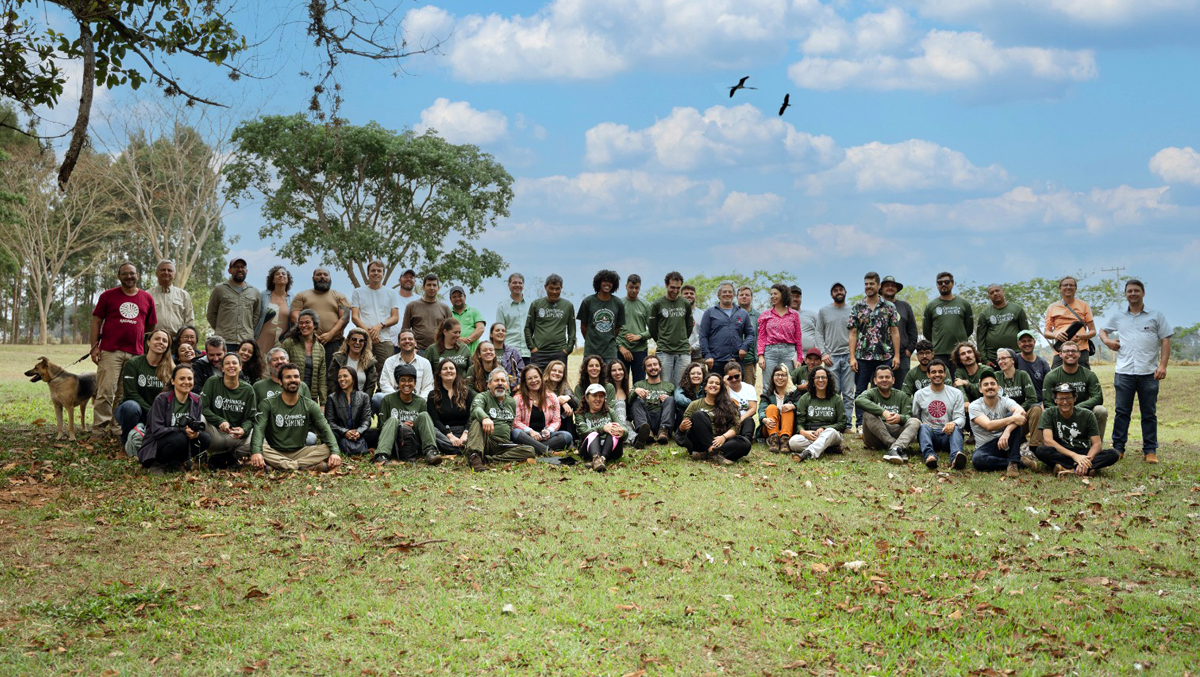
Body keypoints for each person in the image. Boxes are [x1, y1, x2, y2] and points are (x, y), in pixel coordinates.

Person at [1099, 279, 1172, 464]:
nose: (1133, 293)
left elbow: (1165, 340)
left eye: (1136, 290)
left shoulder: (1156, 316)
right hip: (1124, 372)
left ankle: (1150, 450)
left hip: (1149, 372)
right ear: (1126, 294)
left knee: (1149, 413)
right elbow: (1102, 331)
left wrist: (1162, 366)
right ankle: (1118, 448)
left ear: (1143, 293)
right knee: (1122, 412)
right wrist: (1108, 342)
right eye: (1129, 291)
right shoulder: (1118, 316)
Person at [90, 261, 157, 435]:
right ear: (119, 276)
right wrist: (94, 346)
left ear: (138, 275)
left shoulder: (147, 298)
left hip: (135, 353)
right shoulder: (107, 296)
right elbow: (97, 321)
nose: (129, 276)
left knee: (123, 393)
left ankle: (116, 427)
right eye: (125, 273)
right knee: (105, 390)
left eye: (132, 273)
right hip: (111, 350)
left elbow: (150, 327)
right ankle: (98, 429)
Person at [249, 363, 342, 472]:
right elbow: (259, 429)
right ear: (280, 382)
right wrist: (256, 452)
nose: (293, 380)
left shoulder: (310, 405)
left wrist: (335, 453)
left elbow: (325, 429)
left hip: (300, 451)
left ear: (300, 381)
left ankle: (281, 466)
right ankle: (308, 466)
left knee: (327, 449)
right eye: (288, 377)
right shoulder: (268, 404)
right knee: (260, 449)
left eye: (296, 377)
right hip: (274, 451)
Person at [847, 272, 900, 431]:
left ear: (878, 286)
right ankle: (861, 424)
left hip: (885, 355)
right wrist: (852, 357)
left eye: (871, 284)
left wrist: (896, 355)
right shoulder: (857, 307)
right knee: (861, 391)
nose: (868, 287)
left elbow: (895, 331)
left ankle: (886, 421)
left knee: (885, 389)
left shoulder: (889, 307)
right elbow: (853, 333)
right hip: (862, 356)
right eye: (866, 284)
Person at [137, 364, 210, 474]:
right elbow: (157, 431)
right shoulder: (162, 399)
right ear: (173, 381)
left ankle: (176, 462)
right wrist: (181, 431)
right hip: (157, 443)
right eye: (181, 378)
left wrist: (195, 432)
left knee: (205, 438)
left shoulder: (196, 399)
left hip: (179, 439)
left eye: (190, 378)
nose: (186, 382)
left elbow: (194, 423)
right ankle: (157, 463)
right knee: (179, 438)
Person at [1035, 384, 1120, 476]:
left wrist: (1085, 460)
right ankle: (1088, 469)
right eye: (1061, 399)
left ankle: (1069, 468)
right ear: (1055, 400)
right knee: (1041, 450)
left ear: (1074, 399)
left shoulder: (1087, 415)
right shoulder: (1048, 413)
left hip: (1083, 451)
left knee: (1113, 454)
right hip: (1061, 452)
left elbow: (1097, 444)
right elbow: (1048, 441)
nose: (1065, 402)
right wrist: (1075, 456)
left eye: (1068, 398)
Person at [465, 369, 539, 471]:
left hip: (503, 444)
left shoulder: (511, 401)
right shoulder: (482, 397)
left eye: (503, 381)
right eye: (496, 380)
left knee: (530, 451)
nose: (500, 383)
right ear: (489, 384)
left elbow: (510, 424)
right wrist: (485, 418)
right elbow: (476, 409)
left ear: (507, 385)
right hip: (486, 440)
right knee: (477, 421)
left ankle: (490, 459)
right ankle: (474, 457)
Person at [371, 363, 440, 465]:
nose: (406, 384)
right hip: (395, 441)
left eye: (410, 380)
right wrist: (400, 424)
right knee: (393, 419)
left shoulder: (421, 402)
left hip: (413, 442)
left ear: (415, 383)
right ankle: (381, 456)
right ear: (398, 383)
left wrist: (413, 426)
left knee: (424, 415)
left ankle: (430, 452)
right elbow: (382, 427)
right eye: (403, 380)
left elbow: (424, 427)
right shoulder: (388, 400)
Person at [676, 373, 751, 465]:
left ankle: (706, 455)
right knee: (698, 414)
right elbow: (684, 428)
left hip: (719, 442)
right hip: (699, 443)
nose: (714, 385)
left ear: (720, 388)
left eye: (717, 383)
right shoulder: (695, 404)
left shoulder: (729, 405)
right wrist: (682, 427)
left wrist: (723, 437)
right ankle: (712, 451)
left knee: (745, 443)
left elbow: (735, 427)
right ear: (705, 387)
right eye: (711, 382)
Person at [116, 329, 174, 445]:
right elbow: (130, 394)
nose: (160, 342)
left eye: (164, 341)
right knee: (130, 406)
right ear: (148, 342)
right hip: (135, 412)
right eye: (157, 339)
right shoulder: (133, 364)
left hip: (159, 415)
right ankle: (126, 442)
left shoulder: (172, 368)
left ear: (167, 346)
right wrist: (152, 412)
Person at [969, 372, 1031, 478]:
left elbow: (1021, 412)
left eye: (992, 384)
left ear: (998, 387)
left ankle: (1013, 464)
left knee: (1014, 415)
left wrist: (1007, 432)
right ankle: (1018, 462)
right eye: (986, 384)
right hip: (986, 447)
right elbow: (988, 425)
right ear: (980, 389)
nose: (989, 387)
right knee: (977, 460)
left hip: (1006, 442)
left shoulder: (1005, 401)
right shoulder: (974, 406)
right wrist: (1012, 419)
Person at [201, 352, 258, 466]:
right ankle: (200, 453)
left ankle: (227, 457)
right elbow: (203, 407)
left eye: (234, 363)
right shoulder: (213, 382)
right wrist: (220, 421)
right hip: (215, 434)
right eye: (227, 363)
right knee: (199, 418)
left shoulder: (248, 389)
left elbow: (250, 418)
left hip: (234, 436)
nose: (231, 366)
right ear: (222, 368)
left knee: (257, 434)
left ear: (240, 367)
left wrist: (243, 430)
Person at [1040, 342, 1107, 439]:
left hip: (1083, 411)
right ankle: (1048, 442)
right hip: (1059, 411)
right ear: (1060, 354)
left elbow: (1098, 398)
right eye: (1066, 351)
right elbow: (1046, 402)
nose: (1070, 353)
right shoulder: (1051, 376)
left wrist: (1076, 408)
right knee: (1041, 410)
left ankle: (1096, 445)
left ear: (1079, 354)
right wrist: (1062, 410)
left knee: (1101, 410)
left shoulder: (1089, 375)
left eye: (1073, 351)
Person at [856, 365, 920, 464]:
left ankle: (894, 448)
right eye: (881, 377)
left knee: (915, 421)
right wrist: (883, 412)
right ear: (875, 380)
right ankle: (895, 446)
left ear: (893, 380)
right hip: (874, 436)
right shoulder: (870, 393)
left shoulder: (902, 395)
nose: (884, 380)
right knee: (868, 413)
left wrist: (900, 418)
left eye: (887, 377)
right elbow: (859, 400)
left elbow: (908, 416)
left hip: (896, 431)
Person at [911, 359, 967, 471]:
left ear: (945, 374)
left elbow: (961, 417)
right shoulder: (920, 394)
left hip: (948, 434)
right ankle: (929, 456)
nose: (937, 375)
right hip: (929, 435)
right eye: (933, 372)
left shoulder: (956, 393)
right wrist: (924, 425)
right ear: (928, 375)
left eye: (940, 372)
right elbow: (915, 417)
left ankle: (956, 457)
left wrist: (953, 423)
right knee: (922, 427)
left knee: (956, 427)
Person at [290, 268, 350, 370]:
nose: (322, 277)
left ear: (330, 278)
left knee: (334, 374)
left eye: (325, 274)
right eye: (319, 274)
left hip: (334, 343)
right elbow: (294, 316)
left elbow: (345, 317)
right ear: (313, 278)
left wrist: (330, 334)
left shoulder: (340, 296)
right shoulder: (301, 296)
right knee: (308, 372)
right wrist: (311, 334)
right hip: (307, 342)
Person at [816, 282, 854, 431]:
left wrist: (853, 356)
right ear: (831, 294)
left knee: (849, 393)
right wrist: (824, 353)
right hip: (831, 358)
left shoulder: (852, 310)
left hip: (849, 356)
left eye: (841, 289)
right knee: (833, 392)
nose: (838, 292)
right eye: (835, 290)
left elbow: (856, 333)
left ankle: (848, 425)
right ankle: (834, 424)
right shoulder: (824, 311)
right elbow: (819, 333)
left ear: (845, 292)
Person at [787, 365, 847, 461]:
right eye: (817, 378)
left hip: (831, 435)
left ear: (828, 380)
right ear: (812, 381)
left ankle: (808, 453)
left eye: (823, 377)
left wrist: (824, 428)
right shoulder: (805, 398)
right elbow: (799, 423)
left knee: (830, 432)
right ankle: (827, 449)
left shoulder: (836, 399)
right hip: (812, 434)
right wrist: (804, 432)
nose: (820, 380)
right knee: (793, 442)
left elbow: (842, 423)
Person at [513, 364, 573, 455]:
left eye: (536, 377)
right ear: (525, 382)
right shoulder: (518, 398)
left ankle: (534, 449)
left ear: (541, 378)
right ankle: (548, 451)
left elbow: (556, 420)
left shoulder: (552, 397)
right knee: (515, 433)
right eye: (529, 378)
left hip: (544, 435)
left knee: (567, 436)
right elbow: (516, 422)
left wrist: (549, 430)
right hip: (527, 435)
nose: (534, 381)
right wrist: (531, 431)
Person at [350, 260, 401, 366]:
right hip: (362, 340)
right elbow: (355, 317)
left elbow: (395, 317)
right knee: (361, 371)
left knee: (385, 374)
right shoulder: (358, 292)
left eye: (379, 271)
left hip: (384, 340)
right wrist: (369, 333)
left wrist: (379, 326)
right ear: (368, 273)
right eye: (373, 270)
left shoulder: (391, 293)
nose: (376, 273)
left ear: (383, 274)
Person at [649, 272, 694, 388]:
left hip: (683, 351)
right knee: (664, 385)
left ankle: (679, 406)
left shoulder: (685, 303)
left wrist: (682, 338)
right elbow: (652, 328)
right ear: (666, 285)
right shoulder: (658, 304)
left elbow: (689, 326)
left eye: (678, 288)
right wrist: (662, 340)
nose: (675, 291)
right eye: (672, 287)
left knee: (682, 386)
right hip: (664, 351)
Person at [699, 281, 753, 378]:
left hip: (736, 360)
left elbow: (750, 333)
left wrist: (745, 347)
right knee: (717, 389)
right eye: (724, 292)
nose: (727, 294)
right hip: (716, 361)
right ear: (719, 295)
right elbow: (703, 335)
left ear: (733, 295)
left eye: (730, 292)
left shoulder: (742, 313)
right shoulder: (710, 312)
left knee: (736, 389)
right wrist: (707, 355)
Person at [207, 257, 261, 352]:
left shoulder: (254, 292)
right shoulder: (219, 289)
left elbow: (256, 316)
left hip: (245, 342)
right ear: (229, 270)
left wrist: (247, 330)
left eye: (243, 267)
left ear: (246, 270)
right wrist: (222, 328)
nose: (240, 269)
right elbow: (211, 314)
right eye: (236, 267)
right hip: (224, 341)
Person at [995, 348, 1042, 453]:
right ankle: (1017, 442)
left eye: (1003, 358)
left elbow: (1032, 398)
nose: (1000, 362)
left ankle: (1036, 447)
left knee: (1036, 409)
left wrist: (1018, 411)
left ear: (1013, 360)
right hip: (1003, 419)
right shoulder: (996, 377)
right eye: (998, 360)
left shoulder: (1022, 375)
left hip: (1021, 416)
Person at [525, 274, 577, 370]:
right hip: (539, 353)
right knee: (537, 382)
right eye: (551, 288)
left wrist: (568, 349)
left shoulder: (568, 306)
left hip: (559, 353)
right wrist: (532, 347)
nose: (554, 292)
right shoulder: (536, 304)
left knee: (559, 383)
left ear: (561, 288)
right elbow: (528, 327)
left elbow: (572, 330)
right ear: (545, 287)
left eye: (557, 289)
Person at [1043, 276, 1096, 368]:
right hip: (1060, 350)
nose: (1068, 287)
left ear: (1075, 288)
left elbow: (1093, 331)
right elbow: (1046, 333)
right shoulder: (1052, 307)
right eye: (1065, 285)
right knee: (1056, 377)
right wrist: (1056, 335)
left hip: (1081, 349)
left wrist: (1081, 336)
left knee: (1083, 378)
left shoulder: (1084, 305)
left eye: (1071, 285)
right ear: (1060, 289)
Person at [757, 283, 803, 387]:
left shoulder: (794, 315)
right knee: (768, 384)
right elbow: (761, 337)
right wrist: (760, 356)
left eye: (775, 294)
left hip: (789, 353)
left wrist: (800, 358)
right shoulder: (765, 314)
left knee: (789, 384)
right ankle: (767, 403)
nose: (772, 296)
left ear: (783, 294)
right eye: (771, 294)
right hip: (770, 353)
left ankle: (788, 403)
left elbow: (798, 338)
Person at [923, 272, 973, 365]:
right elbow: (926, 331)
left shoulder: (964, 304)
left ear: (952, 283)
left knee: (960, 379)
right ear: (937, 285)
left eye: (946, 282)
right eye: (940, 283)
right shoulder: (931, 306)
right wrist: (937, 340)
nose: (943, 285)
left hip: (960, 352)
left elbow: (969, 328)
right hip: (939, 352)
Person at [427, 358, 475, 456]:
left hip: (464, 432)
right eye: (445, 369)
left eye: (451, 368)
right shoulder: (433, 395)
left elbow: (471, 416)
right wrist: (450, 436)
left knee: (477, 426)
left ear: (456, 372)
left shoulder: (467, 393)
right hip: (444, 434)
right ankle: (462, 449)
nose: (448, 371)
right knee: (430, 429)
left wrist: (465, 434)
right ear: (439, 373)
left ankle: (455, 448)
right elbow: (435, 421)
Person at [377, 329, 434, 411]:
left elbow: (428, 387)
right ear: (398, 344)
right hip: (394, 403)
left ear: (416, 343)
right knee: (377, 398)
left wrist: (418, 403)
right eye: (403, 339)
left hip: (418, 403)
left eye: (410, 339)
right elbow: (385, 384)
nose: (407, 341)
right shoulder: (389, 362)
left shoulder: (425, 363)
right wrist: (398, 401)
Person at [975, 284, 1031, 366]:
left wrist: (1026, 352)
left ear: (1003, 291)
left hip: (1016, 355)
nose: (995, 293)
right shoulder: (985, 314)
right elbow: (980, 339)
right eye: (991, 293)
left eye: (997, 290)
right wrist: (984, 360)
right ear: (989, 297)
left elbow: (1025, 333)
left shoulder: (1017, 309)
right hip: (993, 358)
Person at [577, 269, 626, 362]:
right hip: (591, 351)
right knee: (589, 375)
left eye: (610, 282)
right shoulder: (588, 301)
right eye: (605, 281)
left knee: (609, 376)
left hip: (610, 352)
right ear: (599, 282)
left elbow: (617, 328)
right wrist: (590, 341)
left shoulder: (618, 303)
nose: (607, 284)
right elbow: (583, 327)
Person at [576, 384, 627, 472]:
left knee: (614, 429)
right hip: (588, 451)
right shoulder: (580, 414)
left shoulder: (610, 411)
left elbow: (624, 429)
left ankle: (601, 460)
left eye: (601, 396)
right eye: (594, 395)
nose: (598, 399)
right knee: (593, 434)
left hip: (611, 451)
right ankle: (596, 458)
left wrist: (623, 432)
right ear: (587, 398)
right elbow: (583, 432)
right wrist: (602, 428)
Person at [324, 366, 372, 457]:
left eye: (345, 376)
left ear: (353, 379)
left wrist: (359, 432)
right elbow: (330, 422)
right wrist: (345, 432)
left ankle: (355, 444)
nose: (341, 379)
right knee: (329, 434)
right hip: (340, 433)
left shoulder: (364, 397)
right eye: (339, 377)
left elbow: (366, 420)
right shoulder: (332, 398)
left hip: (359, 433)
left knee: (375, 433)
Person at [280, 309, 327, 404]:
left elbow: (322, 378)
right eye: (301, 323)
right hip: (291, 394)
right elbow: (280, 369)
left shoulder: (320, 348)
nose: (304, 326)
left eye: (307, 322)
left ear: (315, 325)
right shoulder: (289, 343)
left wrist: (322, 403)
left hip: (311, 398)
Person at [630, 354, 676, 448]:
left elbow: (676, 406)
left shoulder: (669, 386)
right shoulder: (639, 384)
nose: (653, 367)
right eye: (649, 365)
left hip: (662, 418)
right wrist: (635, 392)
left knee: (671, 399)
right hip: (646, 419)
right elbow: (628, 403)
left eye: (655, 364)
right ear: (645, 369)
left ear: (660, 367)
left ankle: (664, 431)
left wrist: (668, 398)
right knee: (636, 400)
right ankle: (646, 432)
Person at [880, 276, 917, 385]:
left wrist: (909, 350)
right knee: (880, 387)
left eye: (893, 286)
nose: (890, 287)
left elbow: (912, 330)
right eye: (887, 285)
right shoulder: (876, 307)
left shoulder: (904, 306)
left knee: (902, 388)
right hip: (880, 356)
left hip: (902, 355)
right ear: (881, 289)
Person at [401, 273, 453, 351]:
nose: (432, 288)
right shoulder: (412, 306)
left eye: (434, 285)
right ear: (423, 287)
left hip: (439, 349)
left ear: (438, 288)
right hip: (418, 350)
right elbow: (405, 330)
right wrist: (412, 347)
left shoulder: (445, 308)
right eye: (429, 285)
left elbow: (451, 331)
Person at [759, 364, 801, 453]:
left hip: (789, 428)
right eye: (777, 375)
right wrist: (764, 419)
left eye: (783, 375)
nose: (780, 378)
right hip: (770, 427)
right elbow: (762, 409)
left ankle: (784, 441)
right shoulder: (767, 394)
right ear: (773, 377)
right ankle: (774, 440)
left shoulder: (794, 393)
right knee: (771, 407)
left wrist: (794, 406)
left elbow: (801, 405)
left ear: (788, 377)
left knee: (787, 407)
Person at [328, 327, 379, 399]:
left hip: (361, 400)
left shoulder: (369, 362)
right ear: (348, 341)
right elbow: (331, 382)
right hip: (339, 400)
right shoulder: (338, 359)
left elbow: (371, 386)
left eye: (361, 341)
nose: (357, 343)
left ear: (364, 344)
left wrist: (364, 402)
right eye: (354, 339)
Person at [617, 274, 650, 383]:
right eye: (631, 287)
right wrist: (621, 347)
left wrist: (640, 336)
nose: (634, 290)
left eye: (637, 288)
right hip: (621, 350)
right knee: (620, 383)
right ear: (626, 286)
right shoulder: (618, 304)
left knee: (639, 383)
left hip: (640, 350)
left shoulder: (645, 305)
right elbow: (612, 329)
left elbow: (654, 329)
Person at [148, 260, 193, 336]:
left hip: (177, 340)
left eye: (169, 270)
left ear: (174, 274)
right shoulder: (147, 295)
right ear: (156, 273)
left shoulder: (183, 295)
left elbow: (189, 320)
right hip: (154, 340)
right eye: (163, 270)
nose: (166, 272)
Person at [255, 265, 293, 353]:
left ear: (287, 280)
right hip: (261, 340)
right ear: (272, 279)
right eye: (277, 274)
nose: (281, 275)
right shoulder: (262, 296)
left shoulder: (293, 298)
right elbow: (255, 316)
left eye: (284, 274)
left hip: (282, 342)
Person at [494, 273, 531, 361]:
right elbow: (499, 332)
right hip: (510, 352)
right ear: (509, 285)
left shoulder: (531, 305)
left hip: (529, 352)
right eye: (514, 283)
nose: (517, 285)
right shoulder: (502, 307)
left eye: (520, 283)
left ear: (523, 285)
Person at [1015, 330, 1051, 404]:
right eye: (1023, 341)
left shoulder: (1043, 363)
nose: (1027, 344)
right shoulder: (1014, 361)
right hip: (1019, 404)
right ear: (1018, 344)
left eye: (1029, 341)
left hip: (1039, 403)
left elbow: (1049, 387)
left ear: (1034, 342)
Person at [544, 359, 578, 439]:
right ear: (548, 371)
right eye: (554, 370)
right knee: (567, 404)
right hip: (546, 421)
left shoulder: (564, 386)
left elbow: (578, 403)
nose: (556, 373)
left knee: (570, 403)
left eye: (560, 372)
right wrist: (561, 402)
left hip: (561, 422)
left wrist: (568, 397)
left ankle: (574, 436)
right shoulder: (542, 385)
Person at [723, 362, 757, 439]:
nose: (734, 380)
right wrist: (727, 387)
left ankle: (746, 440)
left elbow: (753, 409)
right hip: (729, 420)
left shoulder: (749, 388)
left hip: (743, 420)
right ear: (725, 377)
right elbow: (725, 408)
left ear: (741, 374)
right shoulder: (723, 389)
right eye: (730, 378)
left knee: (749, 420)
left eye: (736, 376)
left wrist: (740, 420)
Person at [448, 285, 487, 353]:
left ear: (465, 297)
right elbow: (444, 332)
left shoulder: (474, 311)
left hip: (473, 353)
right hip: (453, 354)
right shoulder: (447, 313)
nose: (457, 299)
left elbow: (481, 328)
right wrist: (458, 340)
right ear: (450, 299)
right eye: (454, 297)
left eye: (460, 296)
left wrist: (468, 340)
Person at [489, 323, 526, 388]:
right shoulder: (487, 351)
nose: (501, 332)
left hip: (511, 388)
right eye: (497, 330)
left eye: (503, 331)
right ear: (491, 334)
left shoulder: (513, 351)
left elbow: (522, 370)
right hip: (490, 388)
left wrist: (519, 384)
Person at [737, 286, 760, 387]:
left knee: (748, 389)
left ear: (752, 297)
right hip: (732, 359)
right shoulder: (731, 313)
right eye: (741, 295)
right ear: (737, 297)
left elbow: (760, 337)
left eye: (747, 295)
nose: (744, 297)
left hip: (749, 360)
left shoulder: (758, 316)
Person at [791, 285, 820, 358]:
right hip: (790, 357)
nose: (794, 299)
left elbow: (822, 333)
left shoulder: (812, 315)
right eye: (792, 296)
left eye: (797, 296)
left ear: (801, 299)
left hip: (810, 358)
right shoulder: (782, 317)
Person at [607, 359, 632, 429]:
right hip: (609, 423)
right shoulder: (606, 390)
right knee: (620, 403)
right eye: (614, 370)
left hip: (625, 423)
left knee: (629, 427)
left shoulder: (628, 392)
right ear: (609, 373)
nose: (618, 373)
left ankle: (635, 438)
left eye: (620, 369)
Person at [682, 285, 702, 361]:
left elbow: (705, 335)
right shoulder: (675, 313)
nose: (689, 295)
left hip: (698, 356)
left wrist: (693, 347)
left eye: (691, 293)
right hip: (679, 356)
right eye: (686, 293)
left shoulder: (703, 314)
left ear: (695, 296)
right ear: (681, 296)